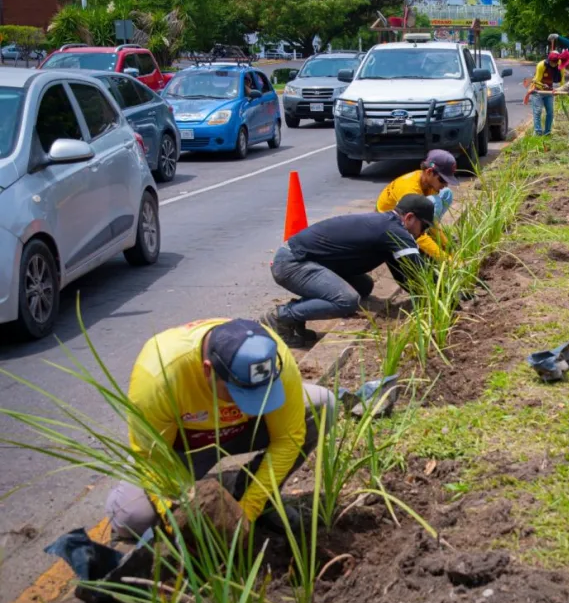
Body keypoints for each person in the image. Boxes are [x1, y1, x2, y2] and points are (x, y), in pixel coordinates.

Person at [105, 318, 334, 539]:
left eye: (261, 394)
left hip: (238, 433)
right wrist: (176, 516)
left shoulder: (273, 358)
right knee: (131, 518)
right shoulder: (159, 375)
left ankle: (243, 488)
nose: (253, 408)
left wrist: (248, 509)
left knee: (322, 404)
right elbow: (152, 457)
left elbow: (288, 438)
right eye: (238, 394)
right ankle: (215, 487)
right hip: (182, 449)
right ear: (208, 370)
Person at [263, 194, 435, 346]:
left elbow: (405, 274)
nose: (422, 234)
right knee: (346, 300)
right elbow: (418, 268)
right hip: (292, 264)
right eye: (424, 226)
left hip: (305, 261)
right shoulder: (394, 230)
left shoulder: (388, 227)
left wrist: (428, 297)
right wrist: (446, 295)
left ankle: (297, 316)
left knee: (363, 286)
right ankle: (281, 316)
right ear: (410, 218)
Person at [375, 150, 458, 260]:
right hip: (389, 224)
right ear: (429, 172)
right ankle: (422, 233)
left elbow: (433, 223)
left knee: (446, 193)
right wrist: (446, 259)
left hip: (410, 218)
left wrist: (448, 246)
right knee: (434, 202)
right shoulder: (410, 190)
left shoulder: (427, 182)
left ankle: (426, 228)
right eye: (442, 179)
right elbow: (418, 234)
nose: (445, 184)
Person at [529, 51, 565, 135]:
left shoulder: (560, 65)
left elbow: (562, 79)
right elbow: (536, 80)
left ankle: (547, 132)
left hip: (549, 91)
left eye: (555, 63)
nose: (553, 64)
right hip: (538, 91)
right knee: (537, 111)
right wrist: (542, 85)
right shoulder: (541, 65)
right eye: (552, 62)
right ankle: (538, 132)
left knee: (550, 112)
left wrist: (561, 89)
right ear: (549, 60)